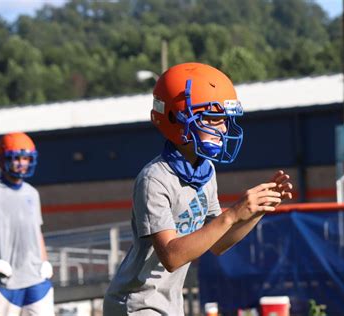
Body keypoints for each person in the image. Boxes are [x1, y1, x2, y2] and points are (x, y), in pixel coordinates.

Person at [103, 62, 293, 315]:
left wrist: (256, 211)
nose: (223, 128)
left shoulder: (206, 171)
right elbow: (172, 257)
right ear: (176, 118)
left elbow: (217, 242)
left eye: (224, 120)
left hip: (168, 304)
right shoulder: (155, 178)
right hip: (136, 304)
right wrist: (233, 213)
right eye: (214, 119)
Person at [0, 132, 55, 316]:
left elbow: (37, 232)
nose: (21, 163)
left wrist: (45, 261)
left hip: (37, 280)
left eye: (26, 158)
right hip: (7, 282)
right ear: (2, 160)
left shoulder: (32, 193)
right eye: (16, 158)